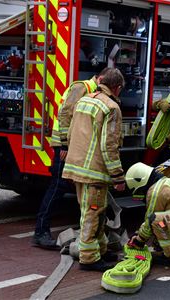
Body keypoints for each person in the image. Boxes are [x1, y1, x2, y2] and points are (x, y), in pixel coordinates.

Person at [33, 68, 111, 249]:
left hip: (68, 146)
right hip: (63, 147)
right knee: (57, 187)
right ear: (99, 79)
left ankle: (87, 230)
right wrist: (65, 145)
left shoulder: (90, 90)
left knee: (66, 187)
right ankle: (40, 232)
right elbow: (65, 114)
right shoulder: (81, 87)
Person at [62, 68, 126, 271]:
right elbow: (110, 146)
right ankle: (89, 258)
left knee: (95, 212)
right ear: (117, 87)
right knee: (93, 214)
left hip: (77, 168)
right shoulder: (111, 107)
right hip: (95, 172)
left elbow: (71, 134)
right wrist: (118, 175)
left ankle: (101, 249)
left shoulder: (84, 100)